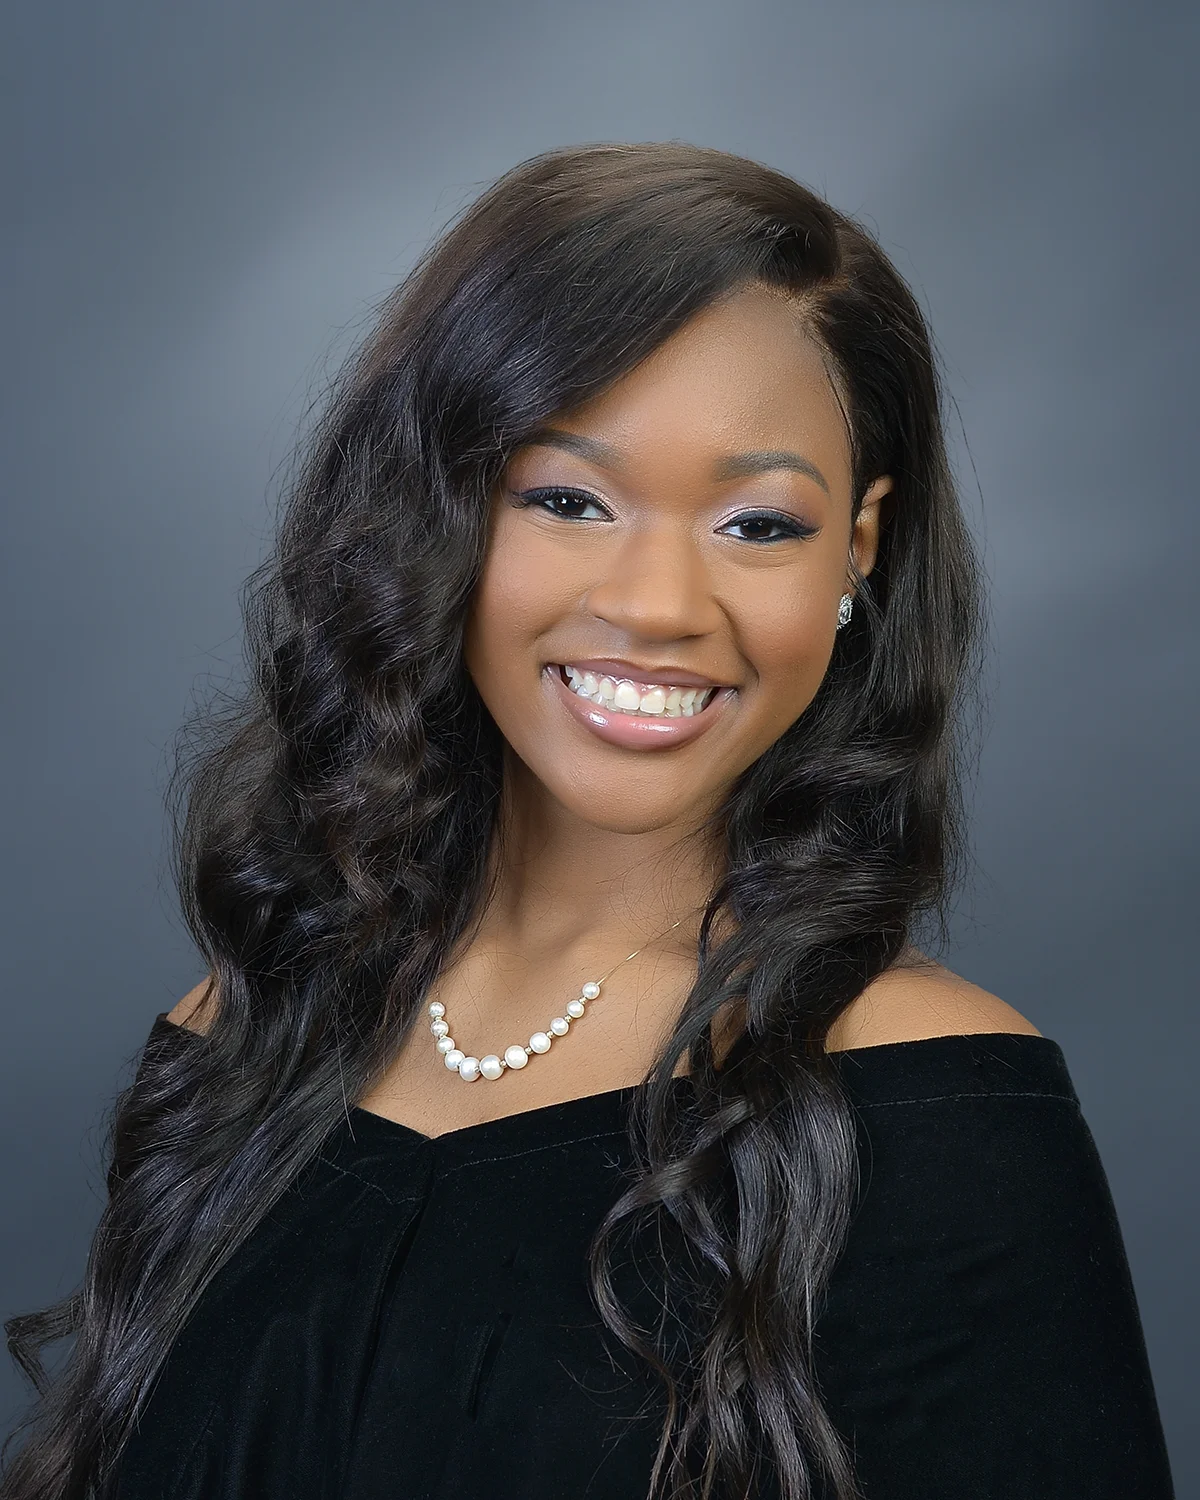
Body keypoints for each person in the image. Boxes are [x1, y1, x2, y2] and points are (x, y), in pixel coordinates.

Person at [1, 142, 1175, 1500]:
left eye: (758, 523)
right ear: (435, 513)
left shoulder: (931, 1105)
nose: (662, 601)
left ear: (862, 544)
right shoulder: (247, 1027)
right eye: (567, 499)